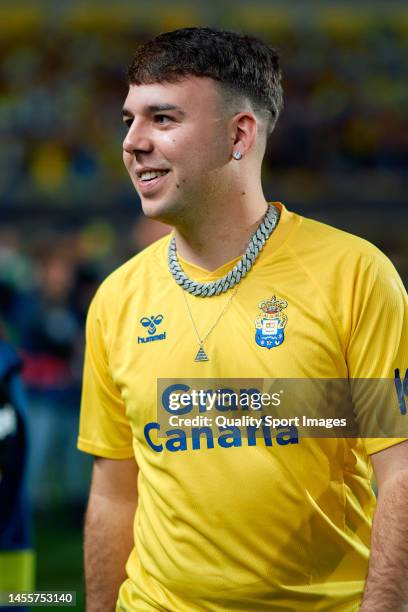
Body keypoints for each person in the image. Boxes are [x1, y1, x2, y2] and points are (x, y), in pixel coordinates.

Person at [78, 27, 408, 611]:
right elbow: (112, 494)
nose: (131, 142)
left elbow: (401, 475)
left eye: (162, 118)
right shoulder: (117, 297)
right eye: (128, 120)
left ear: (239, 134)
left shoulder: (354, 276)